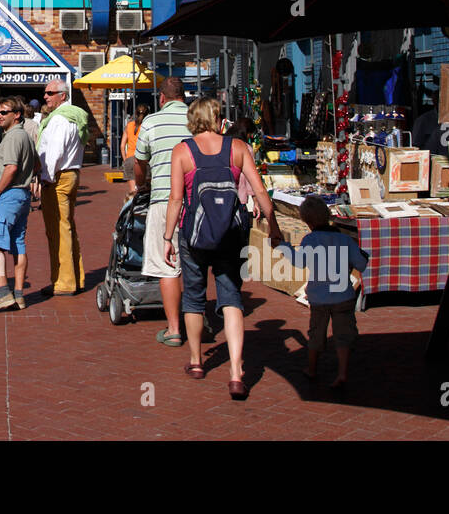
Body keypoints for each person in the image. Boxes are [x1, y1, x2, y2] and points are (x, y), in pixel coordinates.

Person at [164, 96, 279, 398]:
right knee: (231, 297)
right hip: (231, 233)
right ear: (217, 117)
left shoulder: (183, 151)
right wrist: (274, 225)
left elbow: (176, 198)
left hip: (194, 234)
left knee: (194, 295)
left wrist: (167, 237)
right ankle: (236, 372)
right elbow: (258, 189)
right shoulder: (238, 148)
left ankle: (196, 360)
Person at [275, 195, 368, 387]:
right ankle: (342, 372)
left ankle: (312, 368)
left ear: (307, 221)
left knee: (316, 333)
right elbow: (361, 264)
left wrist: (284, 247)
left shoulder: (310, 240)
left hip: (319, 297)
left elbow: (299, 262)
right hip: (343, 295)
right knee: (343, 335)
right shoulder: (344, 239)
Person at [132, 78, 192, 347]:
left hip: (164, 200)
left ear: (162, 98)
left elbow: (139, 162)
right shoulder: (197, 120)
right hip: (196, 201)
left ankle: (174, 328)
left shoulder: (151, 122)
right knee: (195, 264)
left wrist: (143, 182)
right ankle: (196, 318)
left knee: (168, 266)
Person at [0, 96, 37, 312]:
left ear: (17, 114)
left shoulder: (13, 137)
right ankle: (19, 294)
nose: (0, 116)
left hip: (8, 195)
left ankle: (3, 291)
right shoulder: (25, 136)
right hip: (22, 195)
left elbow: (11, 168)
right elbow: (37, 163)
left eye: (5, 112)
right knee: (17, 244)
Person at [36, 78, 89, 295]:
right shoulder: (75, 116)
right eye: (45, 93)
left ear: (63, 95)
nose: (45, 96)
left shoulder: (59, 120)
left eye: (50, 92)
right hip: (71, 174)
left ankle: (64, 282)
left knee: (58, 230)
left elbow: (54, 153)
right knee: (67, 228)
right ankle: (75, 277)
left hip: (58, 177)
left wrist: (45, 178)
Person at [121, 104, 149, 182]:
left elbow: (122, 146)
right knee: (145, 189)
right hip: (144, 159)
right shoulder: (147, 126)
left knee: (133, 192)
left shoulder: (129, 125)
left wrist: (125, 160)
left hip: (130, 158)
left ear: (136, 113)